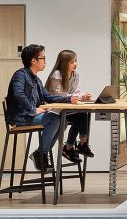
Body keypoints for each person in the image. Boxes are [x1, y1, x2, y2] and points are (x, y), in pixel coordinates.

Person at [6, 44, 83, 173]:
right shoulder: (20, 75)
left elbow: (49, 97)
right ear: (33, 61)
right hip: (21, 118)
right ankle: (41, 154)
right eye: (43, 58)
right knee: (54, 119)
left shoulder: (36, 79)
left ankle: (40, 154)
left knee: (62, 120)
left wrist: (69, 98)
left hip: (30, 116)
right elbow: (19, 93)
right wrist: (32, 110)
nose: (45, 61)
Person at [45, 50, 94, 165]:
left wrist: (82, 96)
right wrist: (79, 96)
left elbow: (76, 92)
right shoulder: (57, 75)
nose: (75, 64)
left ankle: (72, 146)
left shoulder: (76, 74)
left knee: (81, 113)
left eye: (75, 61)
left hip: (67, 110)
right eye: (72, 62)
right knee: (81, 114)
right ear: (64, 63)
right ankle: (79, 145)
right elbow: (59, 95)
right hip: (55, 111)